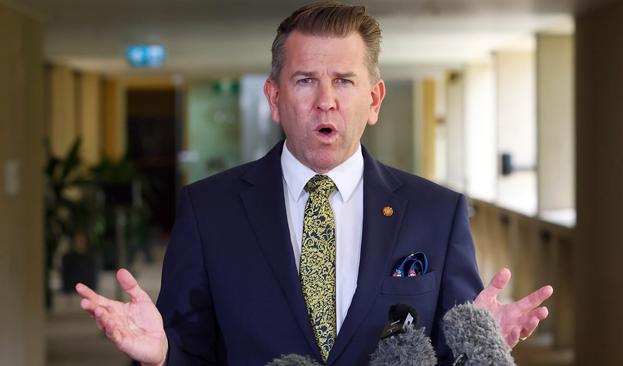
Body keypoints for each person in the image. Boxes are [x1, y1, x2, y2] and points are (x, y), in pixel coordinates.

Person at [76, 2, 553, 365]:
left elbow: (450, 353)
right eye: (305, 80)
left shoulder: (437, 213)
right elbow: (189, 351)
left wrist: (482, 345)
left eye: (344, 81)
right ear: (275, 97)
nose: (326, 101)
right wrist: (162, 354)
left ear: (374, 99)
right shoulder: (208, 210)